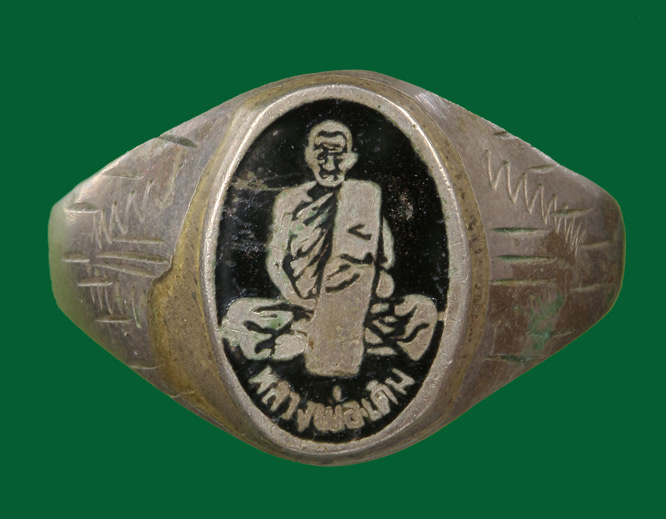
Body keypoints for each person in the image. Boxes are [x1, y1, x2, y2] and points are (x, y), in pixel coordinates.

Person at [221, 121, 437, 377]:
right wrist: (302, 300)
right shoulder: (289, 201)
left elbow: (385, 260)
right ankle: (338, 337)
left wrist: (356, 290)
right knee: (239, 316)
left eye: (338, 155)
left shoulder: (364, 199)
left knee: (423, 312)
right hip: (300, 307)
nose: (330, 164)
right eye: (322, 154)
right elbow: (275, 263)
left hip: (356, 309)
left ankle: (313, 339)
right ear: (309, 156)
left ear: (351, 158)